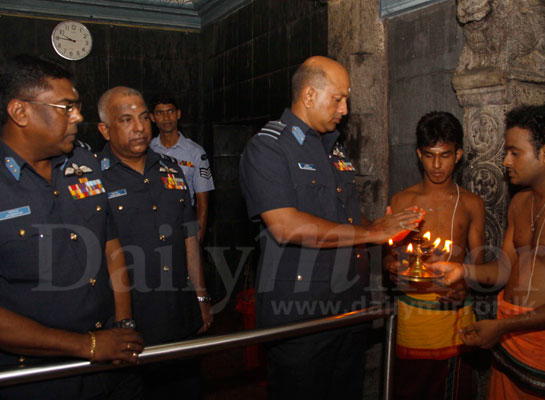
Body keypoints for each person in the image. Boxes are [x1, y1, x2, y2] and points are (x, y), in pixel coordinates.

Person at [239, 55, 424, 400]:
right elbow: (285, 226)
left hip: (348, 305)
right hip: (301, 312)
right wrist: (372, 234)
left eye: (346, 99)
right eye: (338, 98)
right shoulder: (269, 147)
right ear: (309, 96)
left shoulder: (332, 147)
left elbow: (344, 219)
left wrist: (386, 229)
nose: (345, 108)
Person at [432, 104, 545, 399]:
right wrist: (463, 270)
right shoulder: (520, 203)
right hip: (510, 349)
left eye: (514, 152)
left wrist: (504, 326)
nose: (505, 161)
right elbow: (505, 269)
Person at [0, 56, 143, 399]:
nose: (78, 117)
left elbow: (111, 246)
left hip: (110, 364)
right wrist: (86, 345)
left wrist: (123, 326)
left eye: (77, 107)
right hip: (33, 377)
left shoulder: (84, 162)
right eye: (66, 107)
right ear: (20, 112)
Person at [96, 86, 213, 399]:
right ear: (105, 130)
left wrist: (201, 297)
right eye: (126, 120)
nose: (139, 126)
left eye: (144, 117)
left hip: (178, 312)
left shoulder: (170, 168)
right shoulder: (92, 179)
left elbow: (189, 236)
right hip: (129, 321)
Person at [386, 111, 485, 399]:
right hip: (413, 317)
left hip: (454, 317)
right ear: (419, 155)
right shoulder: (402, 201)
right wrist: (397, 268)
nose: (437, 165)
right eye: (430, 155)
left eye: (445, 155)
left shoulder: (471, 204)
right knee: (410, 389)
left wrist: (464, 285)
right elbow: (388, 260)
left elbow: (478, 263)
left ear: (458, 155)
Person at [149, 96, 214, 245]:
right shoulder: (147, 151)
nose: (166, 117)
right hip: (153, 225)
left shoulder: (195, 152)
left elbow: (202, 205)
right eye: (160, 113)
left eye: (170, 111)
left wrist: (197, 243)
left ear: (178, 114)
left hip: (183, 223)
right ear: (152, 117)